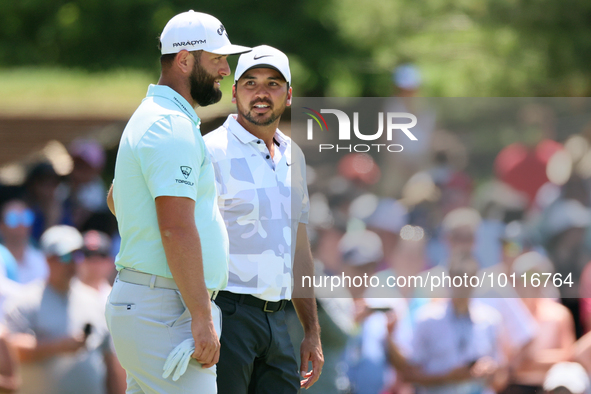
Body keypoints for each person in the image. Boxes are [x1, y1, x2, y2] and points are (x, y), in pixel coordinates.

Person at [105, 10, 249, 393]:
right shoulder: (170, 125)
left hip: (155, 303)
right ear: (184, 60)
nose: (225, 69)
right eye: (217, 58)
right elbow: (175, 226)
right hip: (164, 309)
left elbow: (118, 199)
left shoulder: (158, 118)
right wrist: (201, 316)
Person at [203, 45, 324, 393]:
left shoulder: (294, 156)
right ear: (234, 93)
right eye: (250, 83)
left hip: (278, 320)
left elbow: (300, 247)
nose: (261, 93)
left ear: (288, 96)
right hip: (226, 314)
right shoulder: (210, 150)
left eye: (272, 84)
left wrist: (311, 332)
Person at [4, 225, 123, 394]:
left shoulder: (96, 300)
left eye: (78, 255)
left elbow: (110, 362)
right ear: (47, 259)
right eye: (65, 256)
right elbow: (11, 348)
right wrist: (58, 346)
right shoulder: (24, 302)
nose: (73, 262)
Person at [386, 253, 507, 394]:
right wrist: (448, 377)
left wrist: (489, 371)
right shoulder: (428, 319)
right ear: (449, 280)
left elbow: (501, 377)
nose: (463, 286)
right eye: (458, 280)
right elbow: (409, 375)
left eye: (469, 280)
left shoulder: (490, 320)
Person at [0, 199, 48, 284]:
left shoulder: (41, 259)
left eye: (26, 217)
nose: (21, 224)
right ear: (1, 226)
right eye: (13, 219)